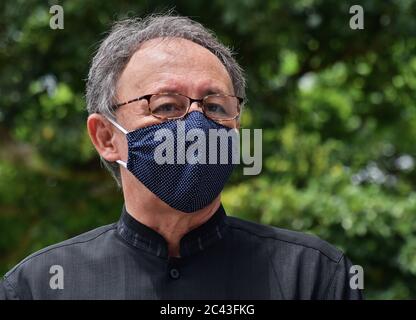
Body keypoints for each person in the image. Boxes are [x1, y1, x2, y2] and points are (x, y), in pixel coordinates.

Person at [0, 14, 363, 300]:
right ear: (106, 137)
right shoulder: (38, 287)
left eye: (216, 106)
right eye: (166, 105)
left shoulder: (312, 276)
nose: (195, 125)